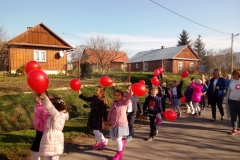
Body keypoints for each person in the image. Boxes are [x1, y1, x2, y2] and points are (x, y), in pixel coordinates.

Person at [36, 92, 69, 160]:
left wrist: (45, 98)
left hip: (53, 139)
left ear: (55, 108)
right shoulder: (61, 115)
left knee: (53, 158)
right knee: (50, 157)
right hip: (52, 139)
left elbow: (49, 107)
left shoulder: (57, 115)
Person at [78, 85, 108, 149]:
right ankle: (98, 143)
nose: (95, 91)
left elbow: (104, 111)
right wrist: (80, 94)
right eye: (95, 90)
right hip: (93, 116)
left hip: (98, 117)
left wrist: (105, 119)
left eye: (97, 90)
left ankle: (104, 140)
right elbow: (87, 99)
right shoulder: (94, 97)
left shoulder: (102, 100)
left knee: (95, 131)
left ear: (101, 92)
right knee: (94, 130)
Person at [107, 88, 132, 160]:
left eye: (118, 95)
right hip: (114, 124)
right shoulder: (113, 102)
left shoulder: (124, 102)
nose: (116, 97)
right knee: (113, 138)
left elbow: (128, 98)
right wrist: (108, 120)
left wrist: (128, 91)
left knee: (118, 139)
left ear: (122, 96)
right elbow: (110, 112)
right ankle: (123, 142)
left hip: (121, 124)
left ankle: (119, 153)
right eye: (115, 95)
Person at [30, 92, 49, 160]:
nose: (35, 98)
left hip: (43, 130)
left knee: (35, 148)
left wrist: (45, 132)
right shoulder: (38, 104)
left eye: (36, 96)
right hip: (39, 129)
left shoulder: (44, 107)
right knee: (38, 148)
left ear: (41, 97)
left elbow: (46, 121)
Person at [225, 69, 240, 135]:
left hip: (239, 101)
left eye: (236, 74)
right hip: (232, 100)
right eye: (234, 74)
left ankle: (239, 127)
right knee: (233, 115)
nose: (234, 75)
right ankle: (234, 128)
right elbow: (229, 90)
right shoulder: (232, 81)